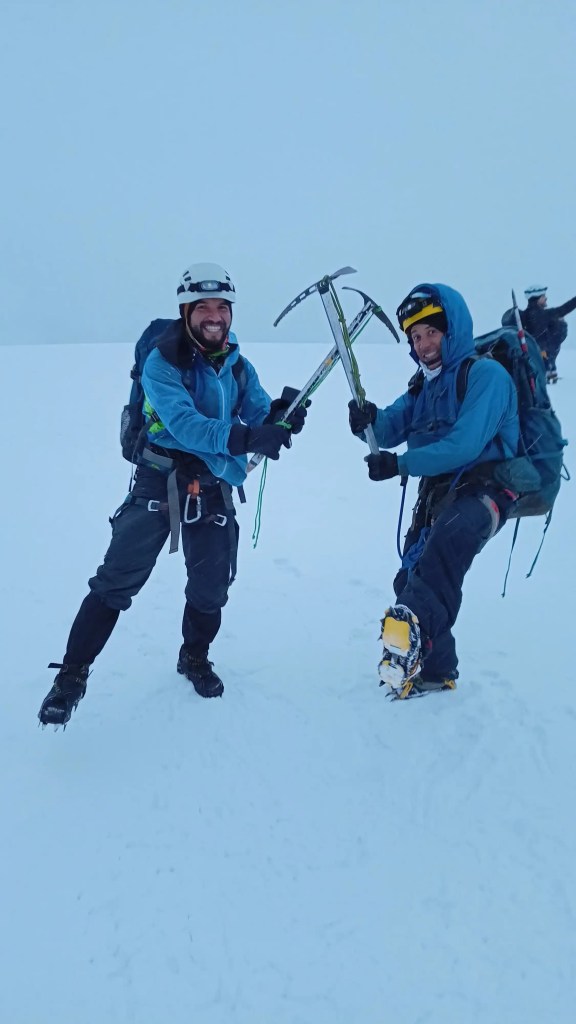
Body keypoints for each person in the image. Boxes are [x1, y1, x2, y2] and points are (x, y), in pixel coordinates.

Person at [38, 262, 308, 726]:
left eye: (222, 306)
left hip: (214, 481)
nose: (214, 315)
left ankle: (194, 657)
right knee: (115, 582)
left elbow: (258, 408)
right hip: (159, 479)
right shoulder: (161, 363)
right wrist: (247, 440)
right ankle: (71, 677)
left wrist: (280, 418)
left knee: (211, 586)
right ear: (185, 311)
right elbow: (186, 426)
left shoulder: (238, 363)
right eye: (202, 306)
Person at [348, 284, 519, 700]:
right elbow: (390, 427)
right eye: (415, 336)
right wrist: (366, 421)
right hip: (439, 490)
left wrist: (400, 464)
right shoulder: (425, 385)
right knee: (410, 576)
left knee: (443, 553)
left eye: (431, 333)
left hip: (487, 489)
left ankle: (406, 638)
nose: (423, 344)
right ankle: (438, 669)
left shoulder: (485, 376)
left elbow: (464, 445)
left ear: (451, 330)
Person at [520, 285, 576, 384]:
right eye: (543, 296)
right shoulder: (543, 315)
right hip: (542, 359)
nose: (546, 298)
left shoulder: (524, 315)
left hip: (535, 357)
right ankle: (548, 370)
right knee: (560, 323)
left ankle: (550, 369)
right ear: (537, 299)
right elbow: (565, 308)